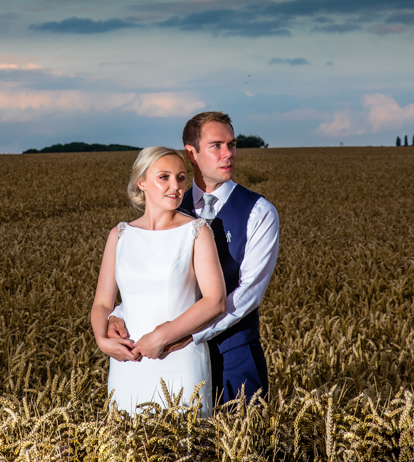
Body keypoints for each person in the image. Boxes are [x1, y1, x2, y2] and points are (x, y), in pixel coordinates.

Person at [108, 111, 280, 405]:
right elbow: (153, 276)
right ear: (192, 153)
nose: (229, 154)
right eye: (216, 146)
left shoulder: (259, 211)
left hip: (232, 354)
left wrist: (190, 335)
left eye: (232, 145)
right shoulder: (170, 205)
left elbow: (249, 293)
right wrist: (120, 315)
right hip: (168, 357)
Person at [91, 147, 226, 416]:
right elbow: (103, 302)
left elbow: (215, 302)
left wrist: (161, 337)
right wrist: (101, 339)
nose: (175, 186)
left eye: (181, 178)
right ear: (141, 182)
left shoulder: (197, 232)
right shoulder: (119, 235)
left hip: (179, 356)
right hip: (127, 361)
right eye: (163, 177)